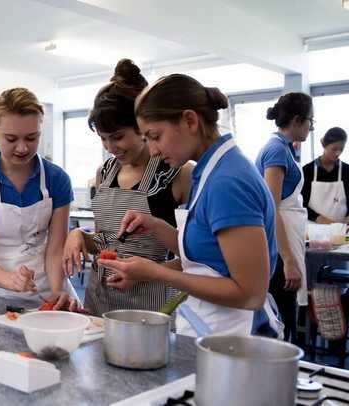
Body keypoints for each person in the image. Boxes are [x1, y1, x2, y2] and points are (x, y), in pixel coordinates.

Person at [98, 74, 280, 337]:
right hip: (213, 328)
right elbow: (207, 261)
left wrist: (159, 274)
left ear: (190, 121)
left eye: (155, 136)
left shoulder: (227, 181)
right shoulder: (208, 172)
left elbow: (250, 293)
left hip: (233, 334)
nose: (153, 151)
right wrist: (156, 227)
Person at [62, 59, 193, 316]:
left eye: (118, 137)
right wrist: (78, 236)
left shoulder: (178, 173)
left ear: (142, 127)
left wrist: (148, 273)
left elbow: (197, 258)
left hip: (154, 303)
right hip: (100, 299)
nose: (111, 148)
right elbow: (106, 241)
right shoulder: (106, 172)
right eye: (103, 139)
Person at [0, 87, 78, 309]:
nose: (22, 148)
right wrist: (11, 280)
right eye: (11, 139)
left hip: (49, 290)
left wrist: (56, 290)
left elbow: (55, 249)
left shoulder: (57, 179)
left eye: (32, 138)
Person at [256, 92, 313, 342]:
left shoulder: (284, 148)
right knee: (282, 322)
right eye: (311, 120)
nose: (311, 126)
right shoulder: (276, 150)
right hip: (280, 248)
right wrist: (288, 259)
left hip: (284, 241)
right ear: (298, 120)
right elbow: (272, 208)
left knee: (286, 317)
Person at [302, 127, 349, 224]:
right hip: (314, 228)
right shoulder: (307, 170)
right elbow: (301, 203)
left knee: (345, 240)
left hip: (342, 229)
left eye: (341, 149)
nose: (338, 153)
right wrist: (318, 218)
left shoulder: (347, 170)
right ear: (324, 145)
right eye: (334, 149)